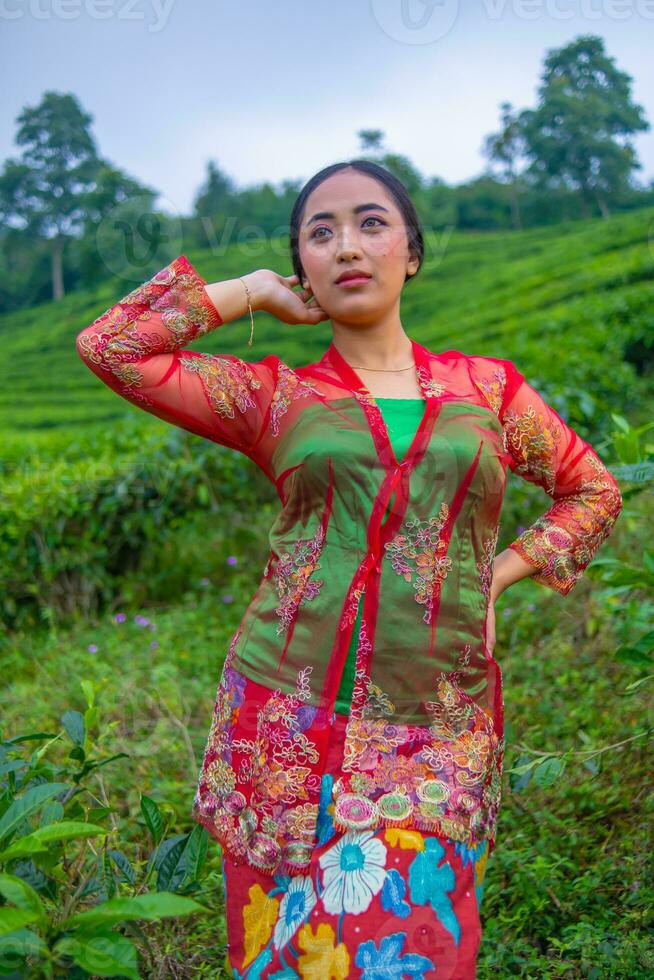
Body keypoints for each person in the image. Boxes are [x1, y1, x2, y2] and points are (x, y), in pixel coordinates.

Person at [75, 160, 623, 978]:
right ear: (304, 268)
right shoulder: (277, 398)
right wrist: (254, 290)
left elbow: (592, 490)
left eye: (371, 224)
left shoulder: (488, 391)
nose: (347, 247)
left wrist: (496, 576)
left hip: (433, 720)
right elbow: (113, 347)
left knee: (419, 946)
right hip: (283, 719)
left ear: (412, 253)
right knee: (290, 952)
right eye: (319, 234)